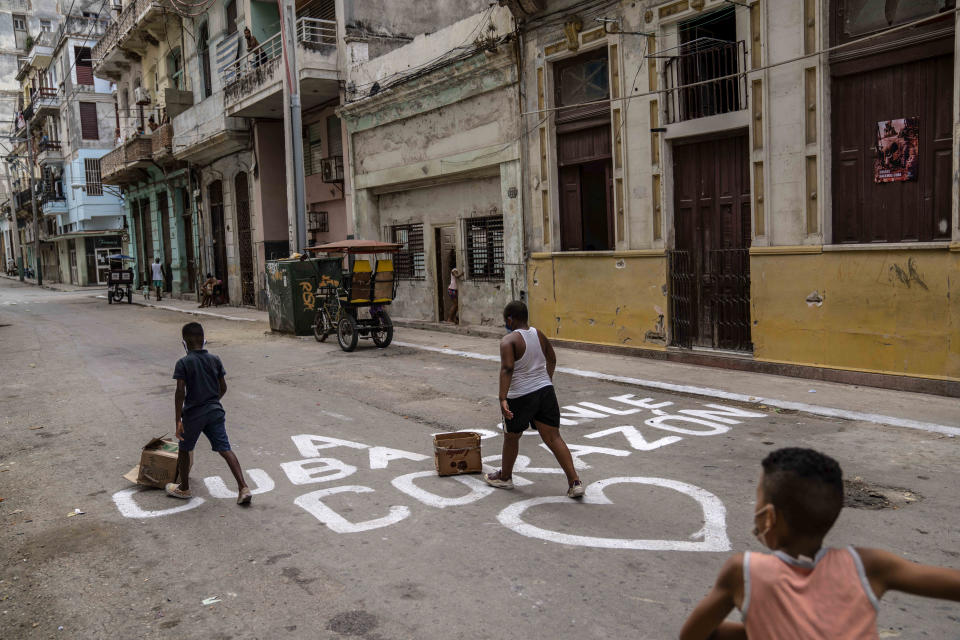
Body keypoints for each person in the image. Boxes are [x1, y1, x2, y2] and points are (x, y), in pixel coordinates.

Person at [679, 447, 960, 640]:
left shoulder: (744, 571)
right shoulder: (869, 566)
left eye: (758, 499)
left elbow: (694, 635)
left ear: (768, 517)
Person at [484, 300, 584, 498]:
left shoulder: (508, 341)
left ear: (510, 319)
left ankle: (505, 477)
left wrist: (502, 398)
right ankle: (575, 482)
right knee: (554, 437)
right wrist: (546, 380)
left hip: (520, 396)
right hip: (545, 391)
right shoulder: (538, 334)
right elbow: (552, 358)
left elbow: (507, 369)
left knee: (511, 437)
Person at [167, 322, 251, 505]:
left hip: (193, 414)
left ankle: (184, 488)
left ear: (184, 343)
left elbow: (180, 392)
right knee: (225, 448)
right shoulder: (215, 359)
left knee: (184, 448)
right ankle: (243, 487)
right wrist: (213, 401)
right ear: (204, 340)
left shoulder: (183, 363)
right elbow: (223, 387)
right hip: (215, 411)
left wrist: (178, 420)